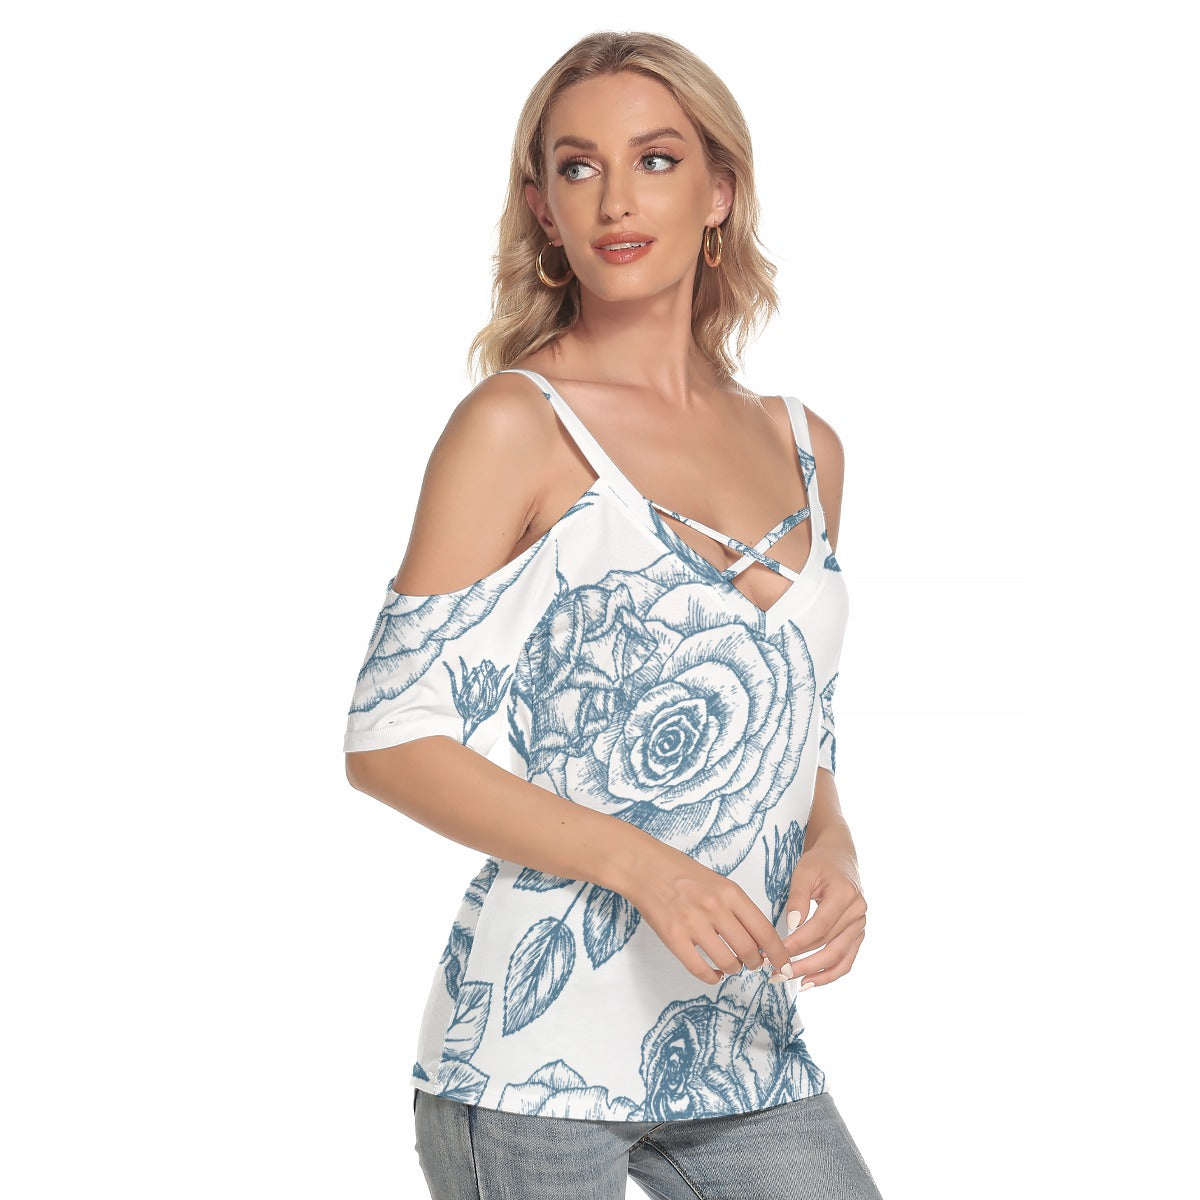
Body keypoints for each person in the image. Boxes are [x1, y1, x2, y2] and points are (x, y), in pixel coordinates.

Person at [343, 30, 883, 1200]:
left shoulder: (806, 446)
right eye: (578, 167)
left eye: (657, 159)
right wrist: (649, 871)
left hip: (741, 1039)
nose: (616, 198)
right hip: (533, 1064)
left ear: (719, 192)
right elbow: (388, 739)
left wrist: (832, 844)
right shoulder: (517, 424)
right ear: (543, 207)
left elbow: (801, 724)